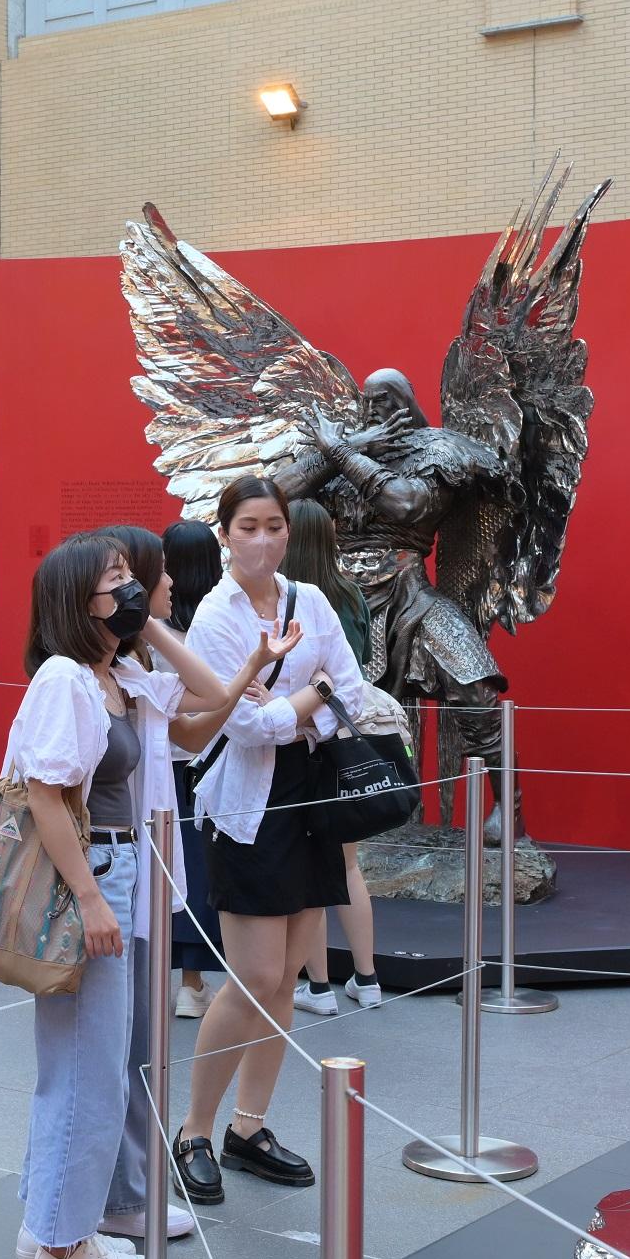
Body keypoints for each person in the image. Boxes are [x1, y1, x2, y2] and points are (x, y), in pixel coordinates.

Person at [0, 533, 246, 1259]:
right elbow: (44, 792)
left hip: (119, 867)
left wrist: (149, 627)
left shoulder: (113, 677)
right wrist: (90, 896)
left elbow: (206, 699)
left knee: (90, 1064)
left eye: (134, 579)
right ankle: (65, 1251)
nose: (133, 589)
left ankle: (48, 1226)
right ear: (80, 600)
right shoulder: (66, 680)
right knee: (87, 1069)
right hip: (97, 870)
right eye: (117, 581)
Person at [173, 477, 390, 1203]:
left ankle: (248, 1127)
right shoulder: (214, 616)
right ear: (225, 534)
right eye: (248, 528)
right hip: (247, 809)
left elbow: (355, 690)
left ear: (287, 533)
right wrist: (311, 696)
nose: (262, 540)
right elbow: (245, 726)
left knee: (291, 974)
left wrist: (300, 704)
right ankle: (194, 1131)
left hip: (312, 802)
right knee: (254, 978)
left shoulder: (314, 601)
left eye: (273, 527)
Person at [86, 523, 276, 1252]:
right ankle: (108, 1204)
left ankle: (122, 1198)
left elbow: (197, 723)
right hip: (119, 872)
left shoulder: (132, 673)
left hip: (146, 867)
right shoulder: (92, 675)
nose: (168, 589)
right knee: (115, 1055)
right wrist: (153, 623)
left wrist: (247, 668)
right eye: (152, 580)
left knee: (138, 1049)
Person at [282, 497, 383, 1016]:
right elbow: (361, 668)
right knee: (348, 864)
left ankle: (318, 987)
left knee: (311, 868)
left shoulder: (282, 601)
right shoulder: (349, 594)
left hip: (301, 746)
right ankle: (367, 979)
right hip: (346, 742)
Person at [159, 520, 226, 1019]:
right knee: (200, 870)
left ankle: (173, 975)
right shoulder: (219, 620)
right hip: (212, 763)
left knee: (168, 867)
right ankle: (192, 980)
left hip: (163, 765)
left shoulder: (156, 628)